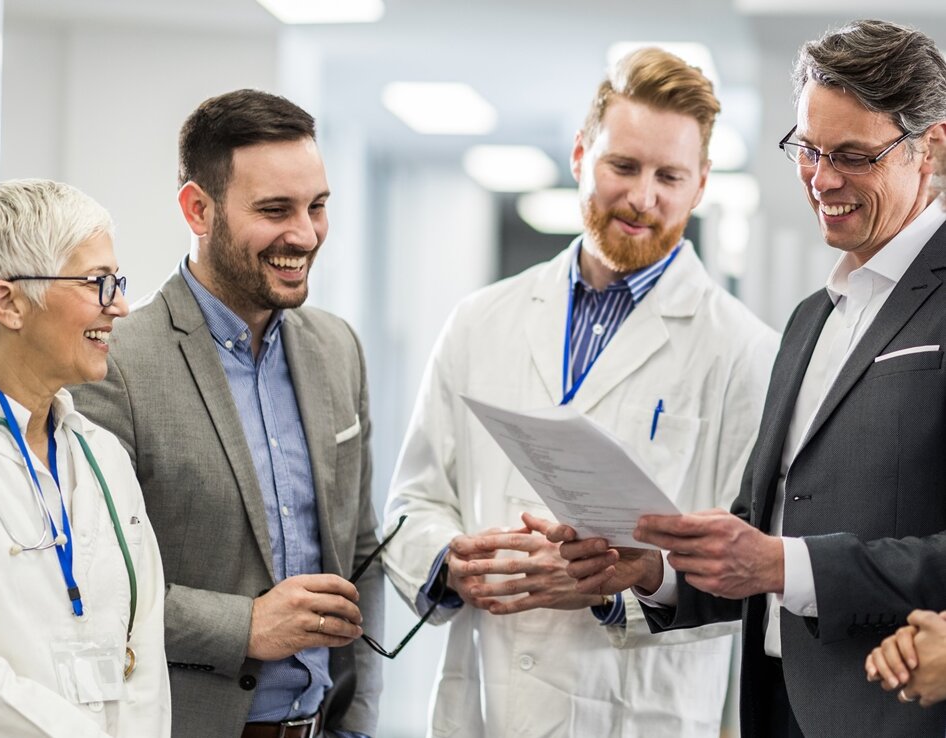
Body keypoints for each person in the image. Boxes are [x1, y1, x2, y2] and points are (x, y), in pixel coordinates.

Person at [551, 18, 946, 737]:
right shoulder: (809, 320)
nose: (822, 179)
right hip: (781, 713)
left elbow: (779, 558)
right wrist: (654, 572)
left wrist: (784, 566)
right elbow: (756, 536)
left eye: (853, 156)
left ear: (932, 148)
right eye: (809, 149)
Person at [381, 48, 778, 738]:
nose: (642, 198)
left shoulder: (744, 353)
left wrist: (639, 576)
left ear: (703, 183)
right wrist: (450, 563)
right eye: (622, 166)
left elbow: (747, 569)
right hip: (489, 695)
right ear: (579, 154)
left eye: (669, 176)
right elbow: (413, 500)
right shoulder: (482, 321)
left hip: (641, 708)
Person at [71, 90, 382, 738]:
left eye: (317, 206)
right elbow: (87, 589)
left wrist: (358, 720)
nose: (304, 233)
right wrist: (247, 627)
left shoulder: (337, 350)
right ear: (198, 209)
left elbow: (360, 555)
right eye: (275, 210)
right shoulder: (116, 366)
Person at [0, 179, 170, 736]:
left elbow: (145, 646)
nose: (121, 305)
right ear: (8, 302)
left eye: (116, 283)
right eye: (98, 283)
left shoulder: (102, 458)